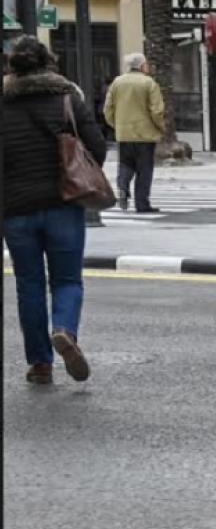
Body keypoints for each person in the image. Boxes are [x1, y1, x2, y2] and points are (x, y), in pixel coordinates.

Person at [2, 36, 107, 384]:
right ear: (49, 63)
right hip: (64, 203)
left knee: (28, 284)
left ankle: (40, 364)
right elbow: (96, 147)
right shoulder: (67, 98)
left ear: (11, 68)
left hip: (15, 209)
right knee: (66, 279)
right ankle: (64, 330)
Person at [104, 52, 165, 212]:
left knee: (125, 164)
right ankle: (142, 203)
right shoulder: (148, 83)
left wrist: (116, 125)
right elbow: (156, 110)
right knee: (144, 169)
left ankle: (123, 187)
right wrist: (160, 127)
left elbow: (108, 108)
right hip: (145, 134)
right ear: (142, 65)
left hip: (124, 133)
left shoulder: (117, 82)